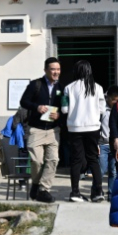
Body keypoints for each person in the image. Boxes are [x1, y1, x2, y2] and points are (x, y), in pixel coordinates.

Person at [62, 60, 106, 202]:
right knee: (93, 159)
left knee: (76, 160)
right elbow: (102, 109)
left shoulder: (68, 88)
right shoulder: (98, 88)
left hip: (75, 128)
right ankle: (98, 192)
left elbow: (64, 109)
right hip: (93, 127)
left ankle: (75, 192)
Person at [20, 58, 63, 203]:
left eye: (58, 69)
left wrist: (59, 115)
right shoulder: (35, 85)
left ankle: (44, 190)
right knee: (36, 161)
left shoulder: (61, 89)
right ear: (45, 70)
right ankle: (36, 184)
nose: (56, 72)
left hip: (53, 130)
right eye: (53, 69)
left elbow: (65, 109)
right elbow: (23, 102)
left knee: (53, 160)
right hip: (36, 130)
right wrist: (37, 107)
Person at [100, 85, 118, 199]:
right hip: (102, 144)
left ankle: (111, 193)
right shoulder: (101, 109)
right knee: (101, 169)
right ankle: (98, 191)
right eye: (113, 99)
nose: (115, 102)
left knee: (113, 171)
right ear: (107, 97)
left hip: (114, 145)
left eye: (117, 100)